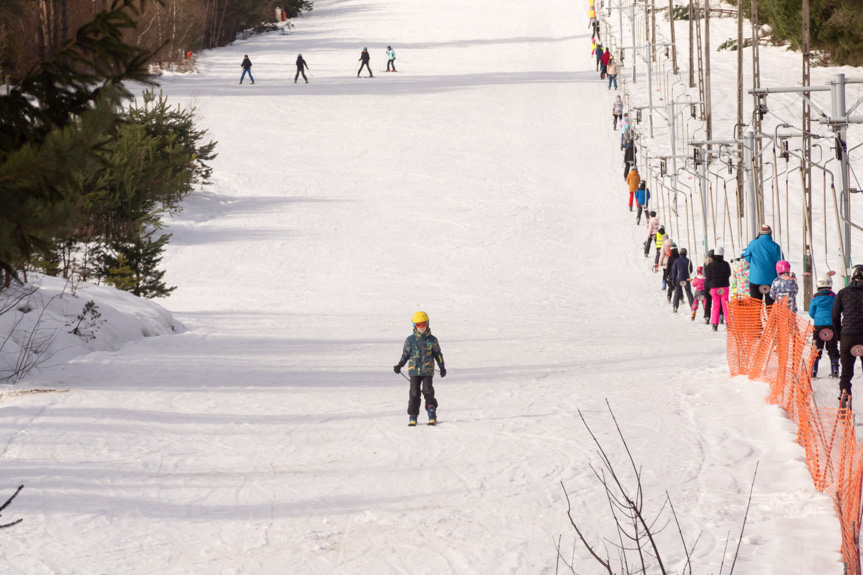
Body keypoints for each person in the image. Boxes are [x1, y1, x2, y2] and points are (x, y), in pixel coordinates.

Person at [393, 311, 446, 425]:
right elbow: (405, 355)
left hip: (427, 371)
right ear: (414, 325)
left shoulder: (432, 340)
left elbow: (438, 354)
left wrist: (442, 367)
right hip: (414, 371)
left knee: (428, 391)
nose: (421, 327)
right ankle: (413, 416)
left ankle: (431, 413)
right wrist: (399, 365)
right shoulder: (410, 340)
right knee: (414, 393)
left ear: (428, 324)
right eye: (418, 325)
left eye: (424, 324)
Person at [832, 265, 863, 406]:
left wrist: (839, 334)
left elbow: (834, 316)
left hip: (847, 336)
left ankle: (845, 399)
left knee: (846, 372)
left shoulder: (843, 293)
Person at [743, 224, 783, 305]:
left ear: (760, 233)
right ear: (770, 233)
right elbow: (781, 263)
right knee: (770, 307)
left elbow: (747, 258)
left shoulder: (752, 244)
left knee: (755, 307)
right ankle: (770, 317)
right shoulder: (776, 246)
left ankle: (756, 317)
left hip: (755, 279)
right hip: (771, 280)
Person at [809, 274, 839, 379]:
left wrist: (817, 319)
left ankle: (813, 370)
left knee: (816, 347)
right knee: (833, 348)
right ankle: (835, 370)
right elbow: (837, 309)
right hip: (831, 325)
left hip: (819, 326)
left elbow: (811, 312)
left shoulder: (815, 298)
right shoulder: (834, 297)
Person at [706, 246, 732, 331]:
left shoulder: (710, 265)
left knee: (715, 305)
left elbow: (708, 276)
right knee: (725, 305)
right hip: (724, 286)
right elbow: (728, 274)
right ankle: (728, 323)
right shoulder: (726, 264)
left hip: (714, 287)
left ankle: (714, 324)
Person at [671, 247, 694, 313]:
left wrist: (673, 279)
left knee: (677, 293)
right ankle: (692, 306)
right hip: (687, 279)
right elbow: (691, 270)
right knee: (688, 292)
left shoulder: (676, 260)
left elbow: (674, 270)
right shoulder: (688, 260)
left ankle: (675, 307)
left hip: (678, 279)